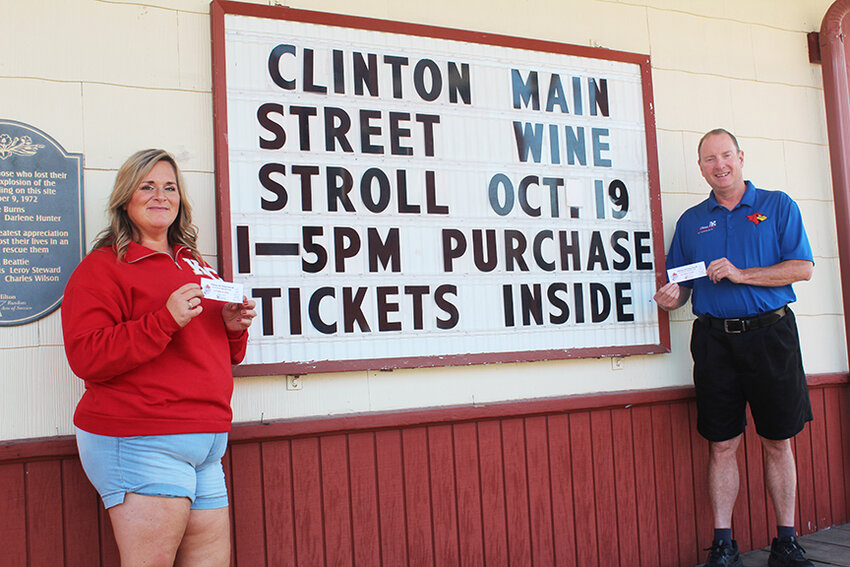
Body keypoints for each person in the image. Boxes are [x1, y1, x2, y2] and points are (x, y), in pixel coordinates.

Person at [61, 149, 256, 566]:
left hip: (206, 442)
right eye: (147, 186)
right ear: (125, 199)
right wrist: (163, 320)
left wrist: (231, 327)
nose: (160, 195)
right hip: (141, 437)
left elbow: (213, 351)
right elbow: (87, 355)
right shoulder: (103, 268)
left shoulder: (196, 264)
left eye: (169, 187)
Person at [654, 129, 815, 567]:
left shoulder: (777, 205)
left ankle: (786, 541)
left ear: (741, 157)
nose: (719, 165)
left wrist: (744, 275)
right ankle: (723, 544)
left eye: (726, 155)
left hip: (771, 336)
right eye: (709, 159)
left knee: (777, 440)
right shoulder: (691, 222)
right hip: (714, 342)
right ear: (700, 166)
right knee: (721, 443)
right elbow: (682, 286)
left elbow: (802, 268)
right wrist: (672, 298)